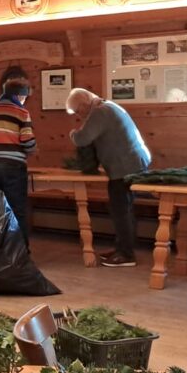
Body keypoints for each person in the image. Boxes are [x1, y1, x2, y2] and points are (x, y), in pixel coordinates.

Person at [66, 88, 151, 267]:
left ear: (83, 104)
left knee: (121, 211)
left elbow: (82, 138)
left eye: (77, 111)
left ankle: (126, 255)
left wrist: (73, 133)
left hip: (125, 168)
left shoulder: (100, 112)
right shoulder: (109, 106)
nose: (79, 116)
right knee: (121, 209)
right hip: (132, 164)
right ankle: (122, 248)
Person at [0, 72, 36, 244]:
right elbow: (28, 142)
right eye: (25, 97)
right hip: (12, 166)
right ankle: (20, 252)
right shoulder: (21, 112)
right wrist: (32, 149)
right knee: (17, 208)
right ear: (19, 95)